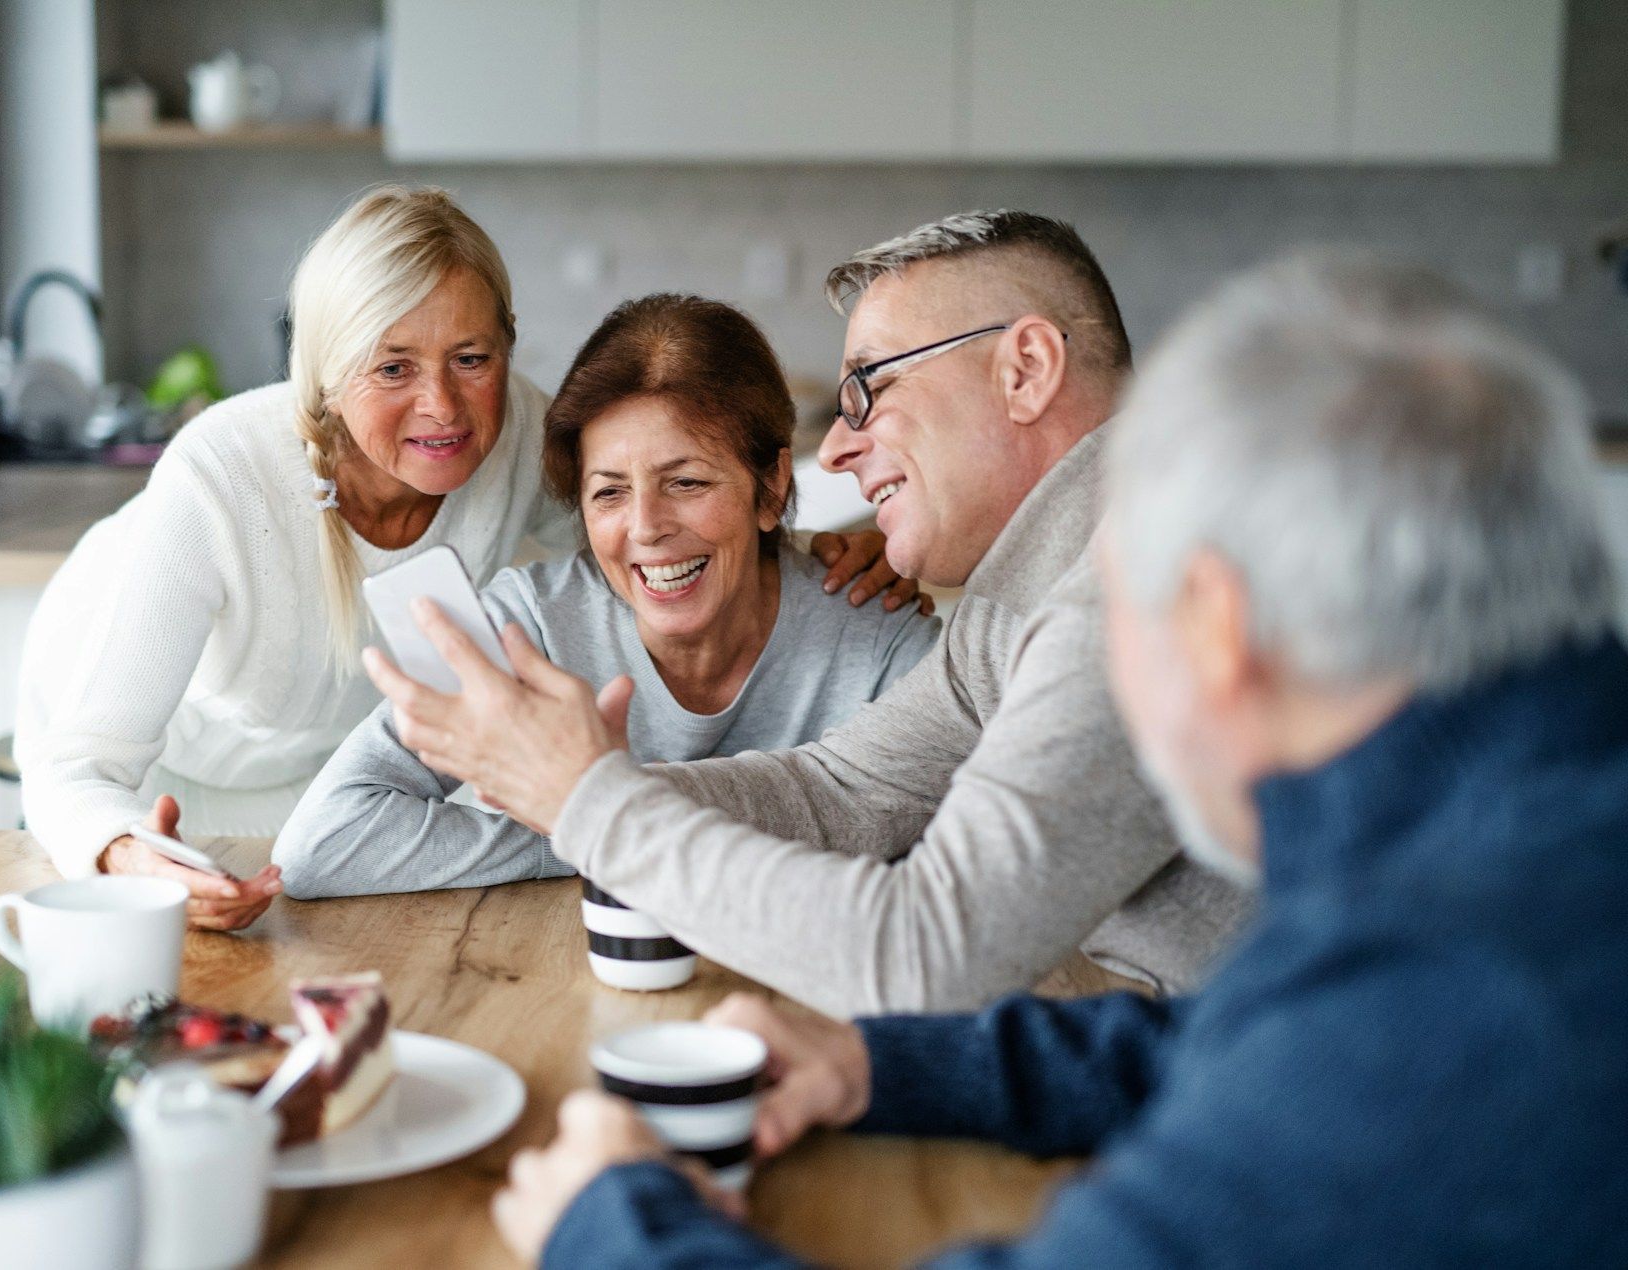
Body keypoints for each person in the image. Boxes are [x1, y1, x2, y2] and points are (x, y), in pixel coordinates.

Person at [490, 253, 1628, 1267]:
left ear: (1215, 624)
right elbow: (1235, 1028)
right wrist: (888, 1069)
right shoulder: (1504, 847)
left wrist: (614, 1224)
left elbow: (1326, 1050)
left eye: (1123, 606)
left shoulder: (1468, 1000)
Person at [364, 210, 1251, 1012]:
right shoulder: (1011, 609)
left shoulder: (1142, 594)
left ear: (1025, 370)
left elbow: (927, 951)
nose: (838, 442)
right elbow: (835, 793)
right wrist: (564, 785)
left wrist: (589, 800)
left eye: (869, 385)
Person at [15, 185, 905, 931]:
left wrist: (830, 544)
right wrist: (129, 855)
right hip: (154, 760)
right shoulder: (218, 479)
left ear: (507, 349)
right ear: (323, 372)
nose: (442, 406)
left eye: (470, 357)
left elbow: (655, 523)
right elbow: (81, 765)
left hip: (327, 774)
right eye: (392, 367)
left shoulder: (515, 435)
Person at [273, 295, 940, 895]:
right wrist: (586, 829)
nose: (646, 528)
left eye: (687, 482)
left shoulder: (877, 636)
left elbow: (963, 857)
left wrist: (592, 810)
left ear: (769, 487)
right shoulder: (527, 629)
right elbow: (324, 841)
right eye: (609, 492)